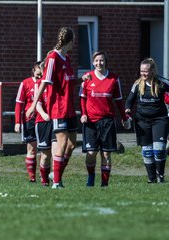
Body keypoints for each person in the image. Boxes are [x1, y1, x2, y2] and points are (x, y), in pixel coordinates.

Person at [26, 27, 77, 189]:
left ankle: (55, 173)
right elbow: (45, 82)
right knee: (61, 143)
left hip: (70, 107)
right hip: (59, 107)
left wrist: (83, 79)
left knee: (72, 144)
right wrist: (34, 104)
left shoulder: (66, 58)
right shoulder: (53, 58)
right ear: (69, 41)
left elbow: (68, 82)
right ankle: (56, 181)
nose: (74, 45)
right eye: (73, 42)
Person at [125, 58, 169, 183]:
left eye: (146, 71)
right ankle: (151, 179)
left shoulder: (161, 82)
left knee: (159, 149)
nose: (143, 74)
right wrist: (127, 110)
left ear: (152, 71)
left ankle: (160, 175)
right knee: (147, 151)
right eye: (141, 71)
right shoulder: (137, 84)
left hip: (159, 120)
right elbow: (129, 100)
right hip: (142, 121)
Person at [79, 51, 131, 187]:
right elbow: (82, 98)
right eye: (96, 61)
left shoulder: (114, 79)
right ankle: (91, 176)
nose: (99, 63)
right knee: (91, 153)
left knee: (106, 155)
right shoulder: (87, 78)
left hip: (107, 121)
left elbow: (119, 101)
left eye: (101, 60)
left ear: (105, 62)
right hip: (90, 122)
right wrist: (83, 114)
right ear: (93, 62)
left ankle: (104, 183)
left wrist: (124, 118)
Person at [14, 61, 43, 183]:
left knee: (45, 149)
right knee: (31, 148)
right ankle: (32, 177)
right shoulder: (25, 83)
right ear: (33, 69)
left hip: (44, 119)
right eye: (38, 70)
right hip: (29, 119)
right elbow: (19, 104)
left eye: (42, 70)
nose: (39, 73)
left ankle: (44, 175)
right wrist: (17, 122)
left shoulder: (47, 83)